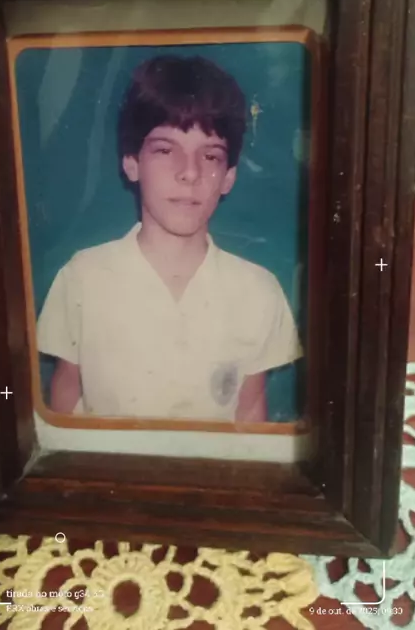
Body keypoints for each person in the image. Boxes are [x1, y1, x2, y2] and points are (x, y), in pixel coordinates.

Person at [37, 55, 303, 423]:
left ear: (228, 176)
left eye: (210, 156)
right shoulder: (83, 277)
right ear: (132, 163)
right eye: (165, 150)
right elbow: (66, 395)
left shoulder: (259, 291)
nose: (189, 173)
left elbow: (249, 409)